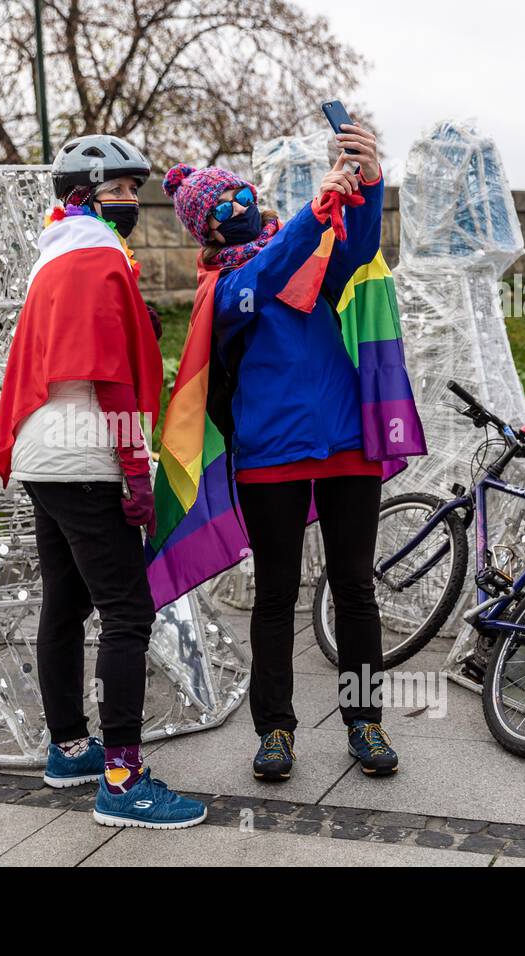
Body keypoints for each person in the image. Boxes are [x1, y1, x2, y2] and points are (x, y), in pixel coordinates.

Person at [162, 124, 423, 781]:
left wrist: (367, 181)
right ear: (206, 232)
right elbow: (270, 272)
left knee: (356, 589)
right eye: (221, 208)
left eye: (241, 195)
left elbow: (359, 249)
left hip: (345, 446)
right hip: (269, 456)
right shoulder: (225, 290)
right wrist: (315, 209)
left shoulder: (308, 251)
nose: (240, 208)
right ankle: (275, 731)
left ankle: (365, 723)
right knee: (276, 596)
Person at [0, 134, 206, 829]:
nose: (131, 203)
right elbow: (109, 371)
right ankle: (121, 780)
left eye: (134, 191)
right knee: (128, 613)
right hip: (86, 459)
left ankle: (70, 749)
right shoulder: (94, 256)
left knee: (65, 604)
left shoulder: (54, 254)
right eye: (118, 191)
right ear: (83, 194)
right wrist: (136, 471)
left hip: (43, 455)